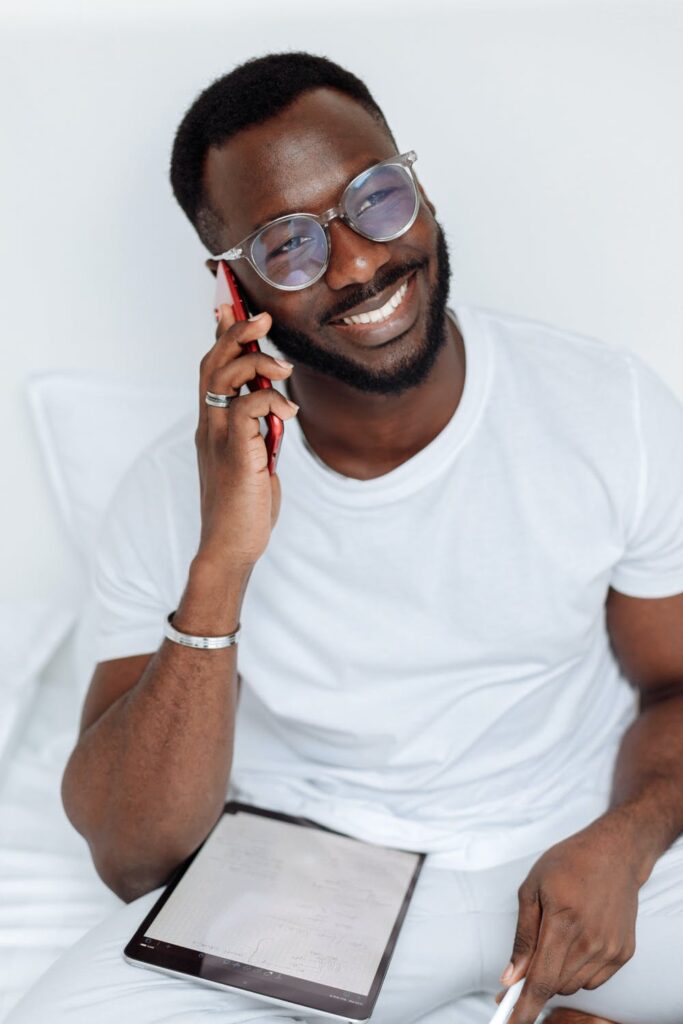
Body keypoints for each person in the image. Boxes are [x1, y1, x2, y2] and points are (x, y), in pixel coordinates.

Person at [8, 52, 683, 1024]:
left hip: (577, 840)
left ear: (418, 190)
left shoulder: (604, 406)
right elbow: (132, 852)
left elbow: (674, 685)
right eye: (287, 246)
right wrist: (223, 560)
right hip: (313, 868)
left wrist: (627, 834)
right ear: (232, 290)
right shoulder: (169, 493)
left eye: (375, 197)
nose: (358, 261)